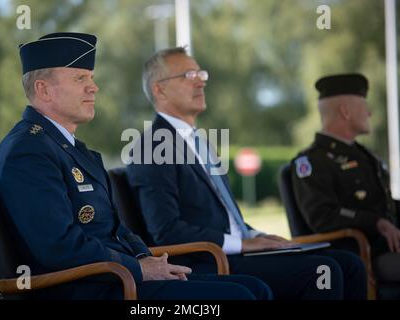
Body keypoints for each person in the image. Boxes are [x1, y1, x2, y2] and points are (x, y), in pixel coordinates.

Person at [0, 32, 273, 300]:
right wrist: (139, 269)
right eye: (80, 78)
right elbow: (58, 246)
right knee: (238, 296)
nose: (94, 86)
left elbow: (116, 228)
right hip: (87, 288)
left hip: (115, 279)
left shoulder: (74, 150)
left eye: (91, 77)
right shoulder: (28, 150)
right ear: (44, 90)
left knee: (253, 288)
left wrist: (144, 258)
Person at [126, 47, 368, 300]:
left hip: (237, 252)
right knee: (323, 271)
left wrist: (256, 235)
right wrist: (243, 243)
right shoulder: (152, 146)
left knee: (349, 264)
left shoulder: (199, 142)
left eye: (201, 73)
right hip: (207, 260)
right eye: (188, 75)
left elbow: (226, 218)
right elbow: (165, 230)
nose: (200, 81)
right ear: (159, 89)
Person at [291, 73, 400, 283]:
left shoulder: (364, 155)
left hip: (387, 249)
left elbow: (382, 205)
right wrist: (376, 223)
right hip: (359, 256)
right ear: (345, 111)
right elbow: (322, 216)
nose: (369, 112)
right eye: (364, 106)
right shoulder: (311, 162)